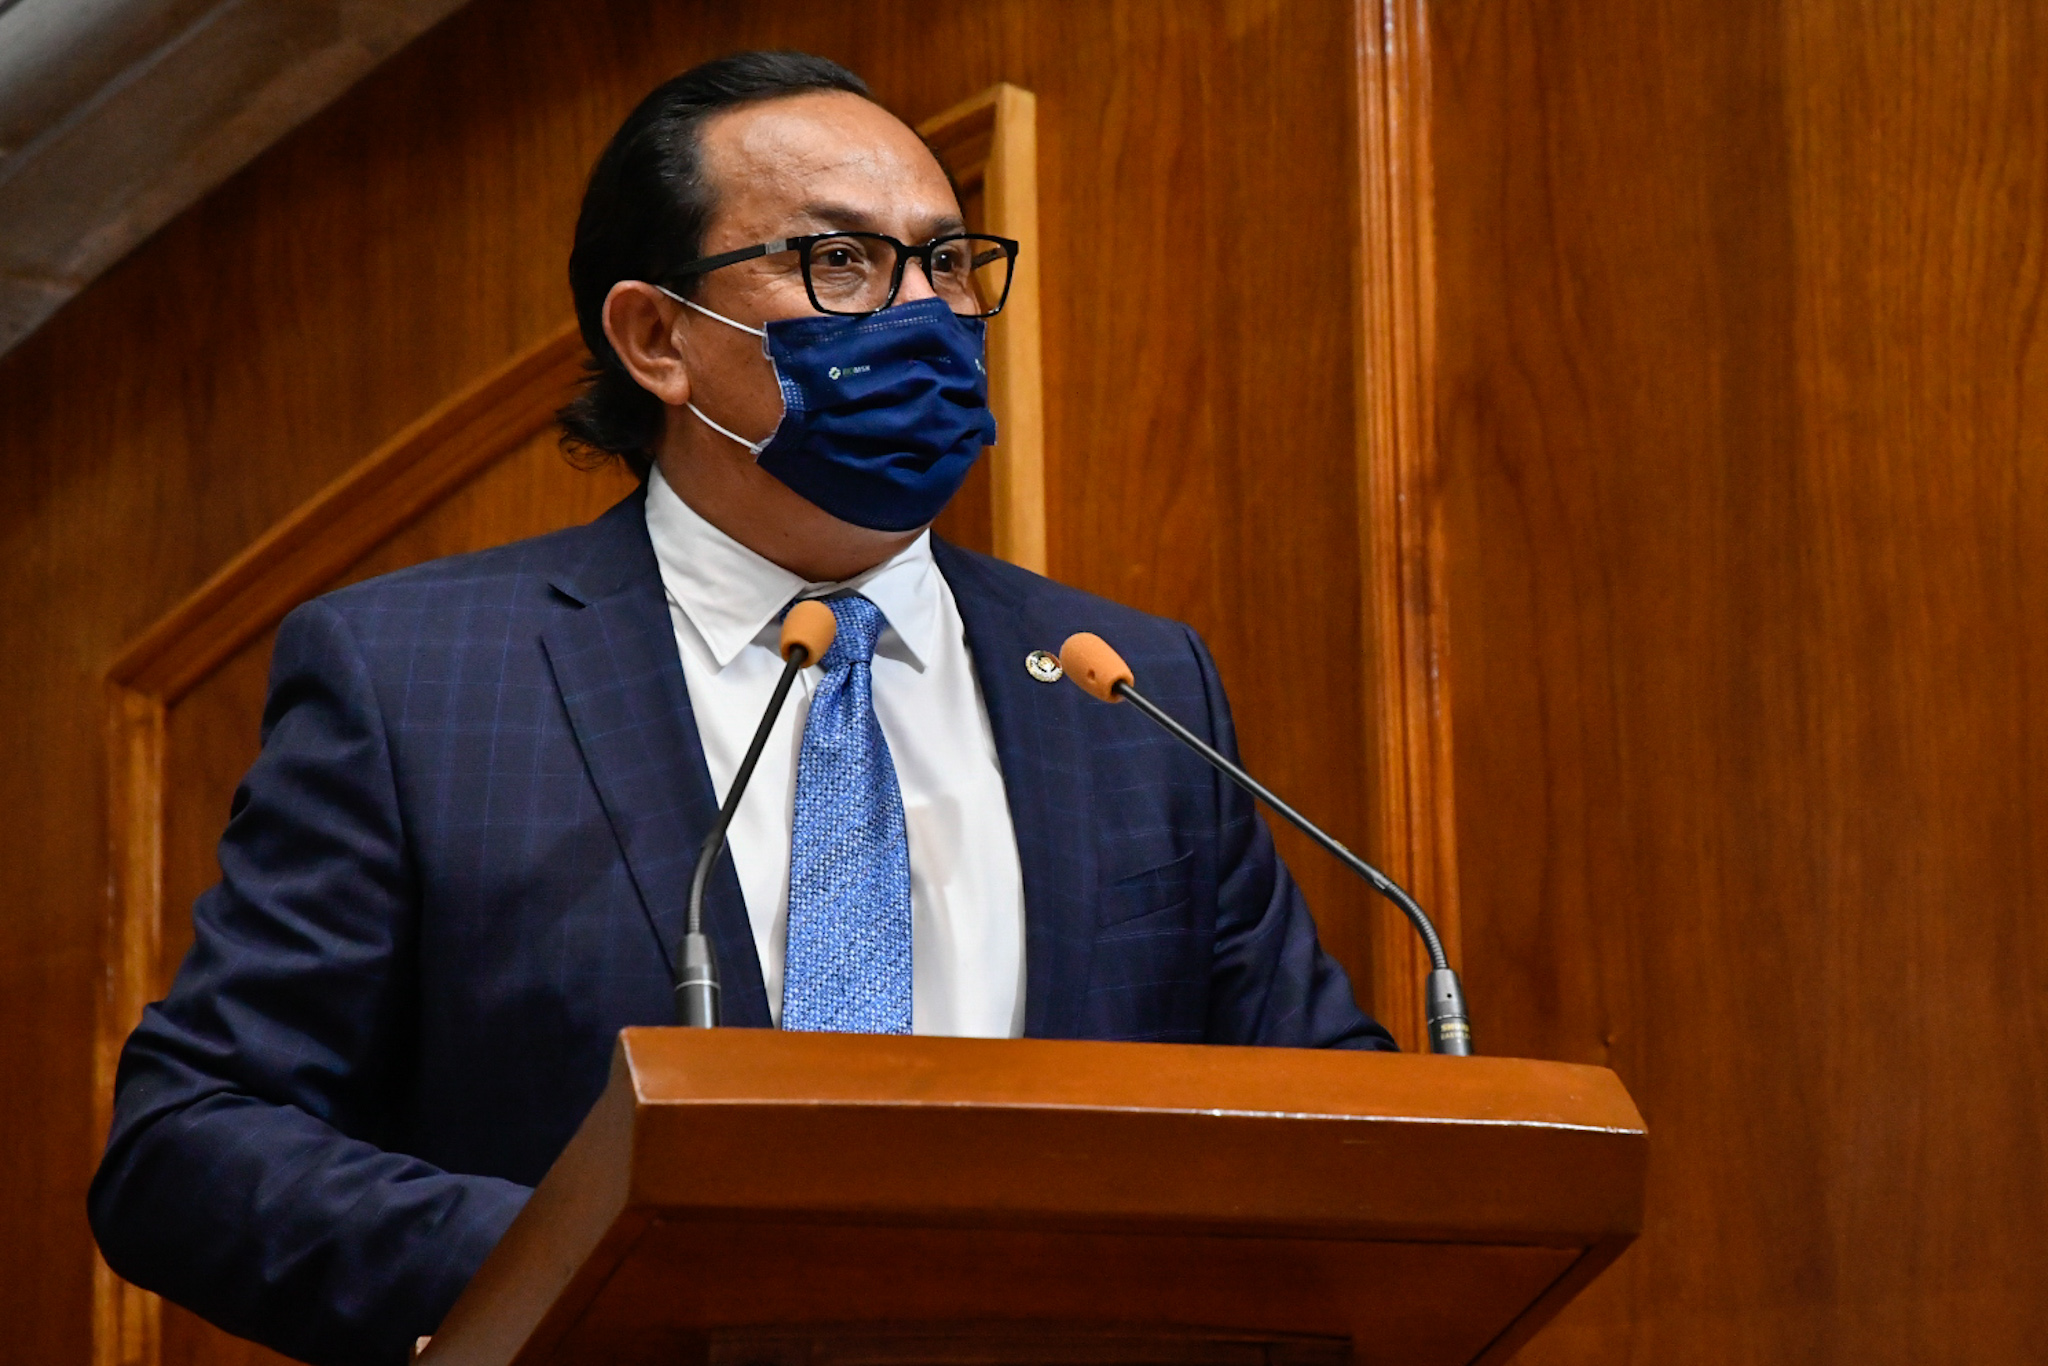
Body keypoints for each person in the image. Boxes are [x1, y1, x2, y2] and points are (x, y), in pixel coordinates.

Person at [88, 50, 1395, 1366]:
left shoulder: (1129, 684)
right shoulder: (420, 677)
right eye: (840, 263)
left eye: (947, 263)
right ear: (658, 339)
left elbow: (1336, 1115)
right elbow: (190, 1141)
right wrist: (579, 1266)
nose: (921, 311)